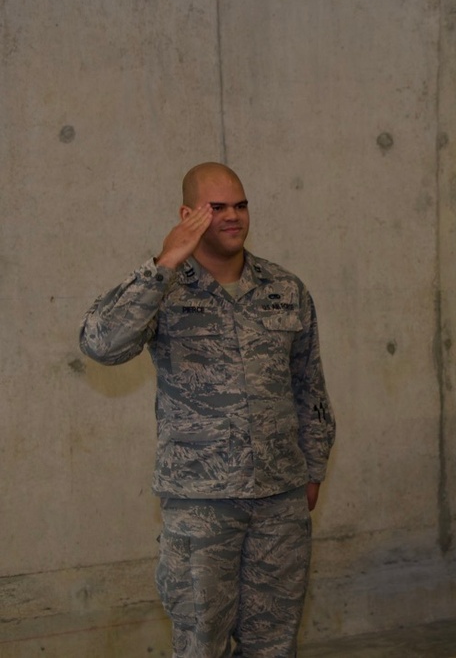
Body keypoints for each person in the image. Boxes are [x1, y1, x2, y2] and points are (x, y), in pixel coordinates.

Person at [80, 162, 336, 657]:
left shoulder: (286, 289)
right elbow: (101, 344)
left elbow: (310, 386)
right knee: (201, 643)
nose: (233, 217)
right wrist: (163, 264)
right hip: (201, 502)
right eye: (217, 207)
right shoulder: (166, 289)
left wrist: (314, 465)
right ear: (188, 214)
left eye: (240, 205)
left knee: (274, 643)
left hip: (279, 501)